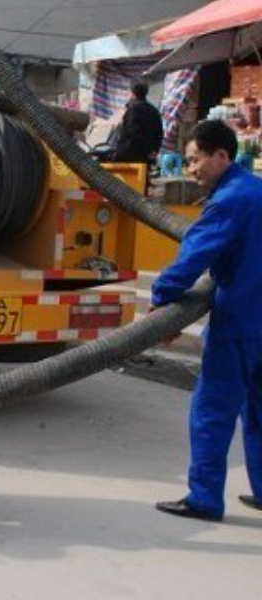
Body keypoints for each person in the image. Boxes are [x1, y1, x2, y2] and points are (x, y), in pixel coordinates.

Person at [152, 119, 262, 521]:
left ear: (222, 155)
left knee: (212, 409)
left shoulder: (230, 200)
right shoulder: (256, 190)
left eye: (196, 159)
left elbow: (195, 254)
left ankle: (204, 498)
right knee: (258, 411)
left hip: (241, 320)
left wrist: (162, 300)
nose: (191, 169)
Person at [113, 79, 164, 164]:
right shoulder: (154, 111)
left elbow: (131, 133)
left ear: (132, 93)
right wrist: (152, 151)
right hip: (147, 157)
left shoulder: (133, 110)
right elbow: (159, 134)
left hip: (129, 157)